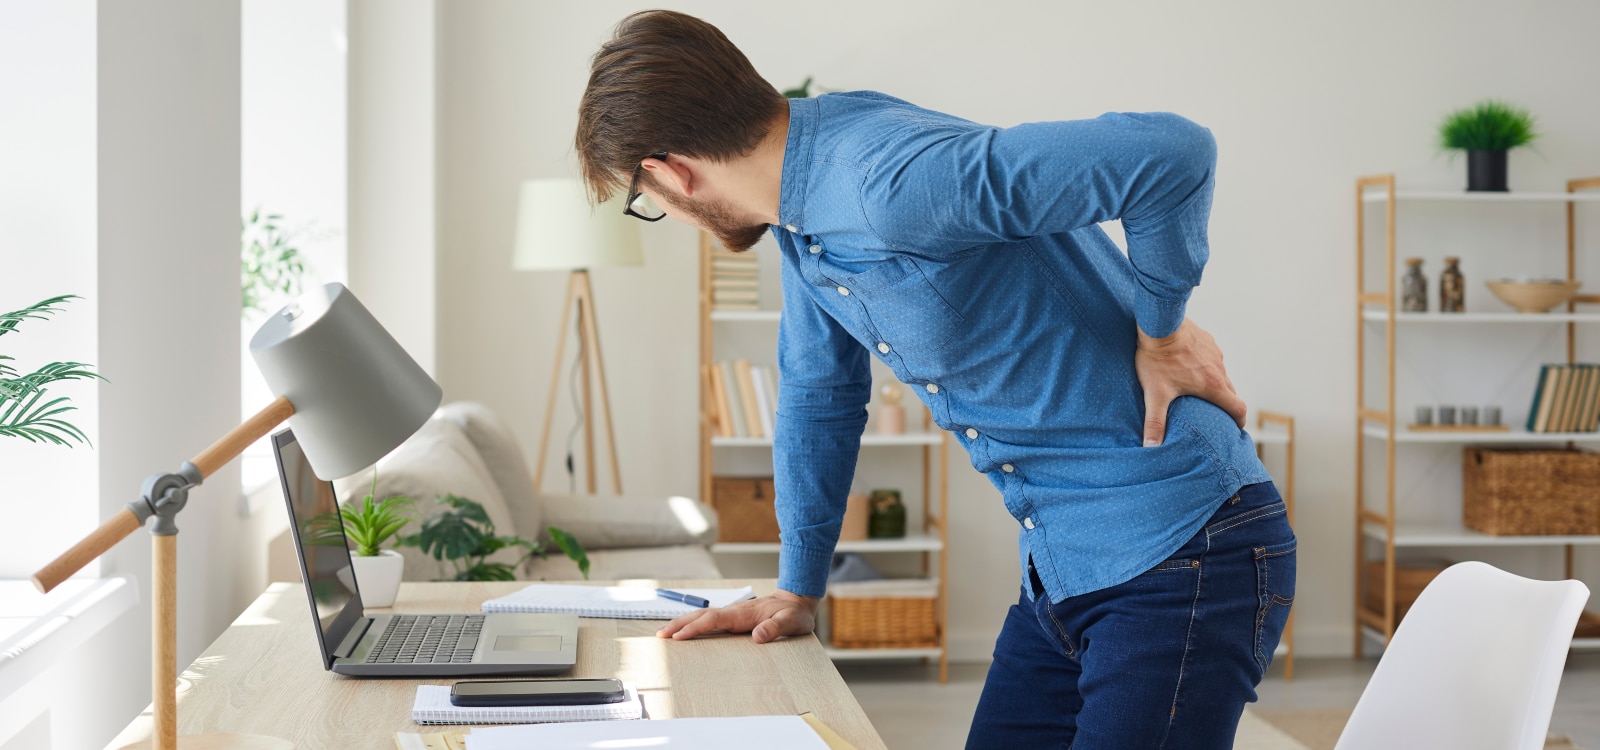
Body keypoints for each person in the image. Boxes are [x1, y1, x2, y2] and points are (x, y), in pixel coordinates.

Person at [575, 10, 1295, 749]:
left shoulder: (887, 180)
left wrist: (1163, 330)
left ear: (670, 173)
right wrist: (798, 585)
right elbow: (818, 396)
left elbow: (1174, 154)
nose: (662, 209)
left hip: (1184, 547)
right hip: (1065, 566)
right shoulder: (799, 215)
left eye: (647, 202)